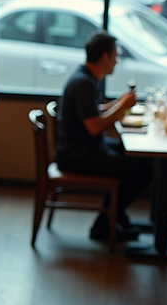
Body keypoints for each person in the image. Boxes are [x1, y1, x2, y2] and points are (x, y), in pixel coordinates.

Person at [54, 31, 152, 242]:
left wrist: (116, 104)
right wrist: (121, 108)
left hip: (80, 147)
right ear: (105, 57)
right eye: (115, 56)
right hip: (77, 154)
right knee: (142, 170)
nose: (117, 61)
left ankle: (116, 218)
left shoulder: (86, 77)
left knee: (136, 157)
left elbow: (92, 110)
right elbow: (94, 127)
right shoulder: (85, 83)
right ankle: (104, 225)